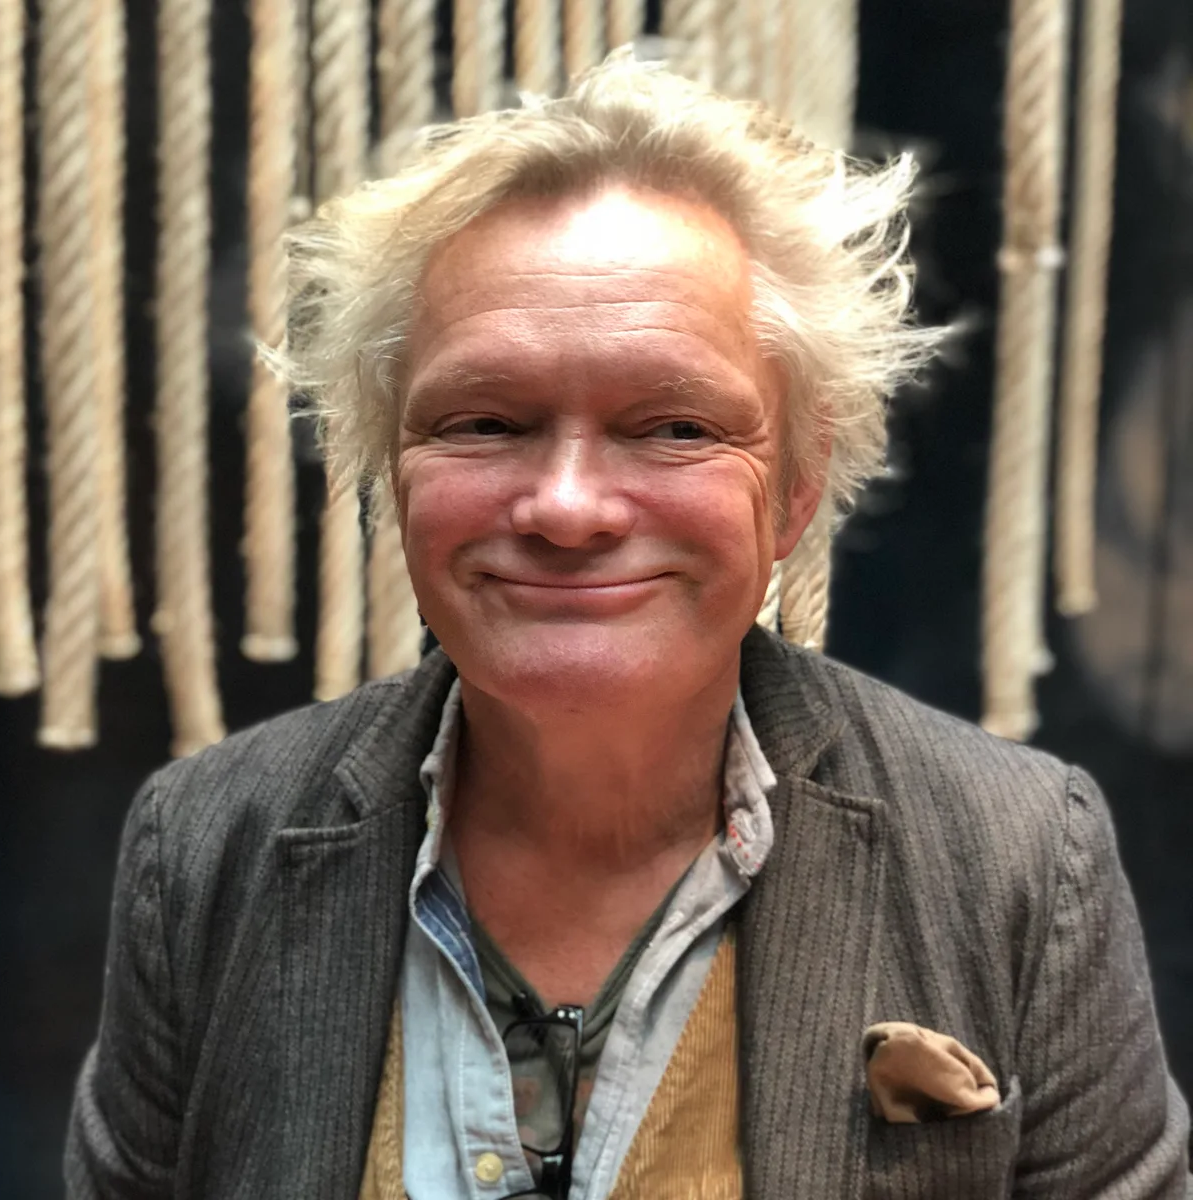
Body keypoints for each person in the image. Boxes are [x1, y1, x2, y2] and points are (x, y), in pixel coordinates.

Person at [66, 53, 1190, 1200]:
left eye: (674, 428)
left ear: (798, 483)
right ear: (389, 467)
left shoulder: (1016, 858)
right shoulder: (208, 848)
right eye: (485, 422)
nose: (566, 507)